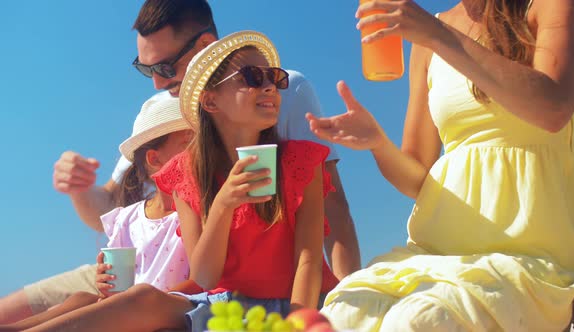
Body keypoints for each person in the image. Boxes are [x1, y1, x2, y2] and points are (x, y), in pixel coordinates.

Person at [0, 0, 360, 324]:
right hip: (152, 262)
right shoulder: (161, 121)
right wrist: (79, 189)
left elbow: (331, 211)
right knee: (64, 301)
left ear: (204, 47)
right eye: (147, 69)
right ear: (209, 102)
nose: (157, 82)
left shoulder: (284, 100)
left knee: (132, 302)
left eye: (166, 65)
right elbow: (111, 206)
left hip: (198, 277)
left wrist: (348, 289)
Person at [306, 0, 574, 331]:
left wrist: (438, 35)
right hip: (436, 253)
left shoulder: (550, 4)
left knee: (420, 321)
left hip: (527, 258)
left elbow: (553, 108)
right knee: (342, 316)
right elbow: (417, 178)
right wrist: (377, 143)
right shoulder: (429, 36)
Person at [0, 92, 197, 331]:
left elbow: (203, 277)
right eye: (190, 145)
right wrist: (106, 282)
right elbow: (117, 287)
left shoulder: (197, 211)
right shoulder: (128, 219)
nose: (202, 154)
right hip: (127, 305)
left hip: (165, 306)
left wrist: (126, 301)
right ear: (154, 159)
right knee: (81, 298)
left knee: (139, 297)